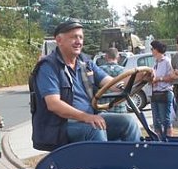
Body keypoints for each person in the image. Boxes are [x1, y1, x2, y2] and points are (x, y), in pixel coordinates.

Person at [30, 21, 141, 150]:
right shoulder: (49, 66)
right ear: (59, 40)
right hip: (60, 125)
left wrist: (140, 77)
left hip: (87, 119)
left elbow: (114, 84)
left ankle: (133, 164)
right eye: (74, 37)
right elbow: (53, 104)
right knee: (95, 128)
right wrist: (87, 117)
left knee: (128, 122)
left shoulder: (85, 63)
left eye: (81, 37)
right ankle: (103, 168)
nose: (78, 41)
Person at [149, 40, 174, 139]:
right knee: (156, 120)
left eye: (152, 49)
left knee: (165, 119)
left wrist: (159, 79)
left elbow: (172, 76)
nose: (151, 51)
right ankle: (158, 139)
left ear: (157, 50)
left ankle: (168, 138)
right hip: (155, 92)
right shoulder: (155, 63)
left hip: (164, 91)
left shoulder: (167, 61)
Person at [101, 47, 129, 113]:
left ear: (106, 57)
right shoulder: (125, 71)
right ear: (118, 57)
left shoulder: (99, 71)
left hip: (103, 109)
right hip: (120, 108)